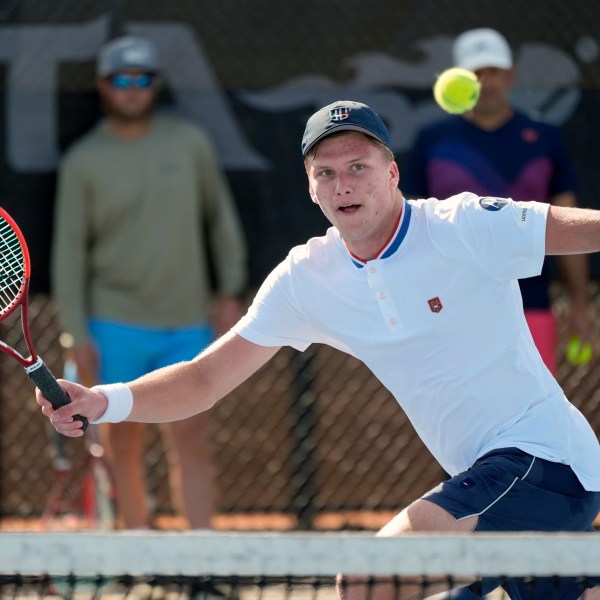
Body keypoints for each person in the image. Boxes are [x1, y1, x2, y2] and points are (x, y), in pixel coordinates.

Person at [43, 100, 600, 599]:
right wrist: (101, 400)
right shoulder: (307, 278)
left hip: (548, 460)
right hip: (493, 482)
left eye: (358, 166)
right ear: (311, 188)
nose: (343, 186)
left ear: (392, 172)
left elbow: (583, 228)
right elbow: (203, 380)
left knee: (367, 581)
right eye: (325, 173)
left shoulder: (466, 226)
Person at [51, 36, 248, 530]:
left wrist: (229, 292)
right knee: (122, 443)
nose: (133, 89)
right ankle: (140, 560)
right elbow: (69, 254)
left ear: (155, 85)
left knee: (193, 440)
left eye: (143, 79)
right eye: (122, 79)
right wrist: (78, 333)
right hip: (113, 322)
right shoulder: (83, 161)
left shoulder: (189, 143)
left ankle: (204, 563)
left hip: (186, 323)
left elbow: (219, 220)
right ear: (103, 86)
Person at [402, 27, 591, 375]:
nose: (486, 81)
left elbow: (569, 217)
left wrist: (579, 305)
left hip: (531, 305)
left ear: (511, 75)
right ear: (459, 78)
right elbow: (407, 227)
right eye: (476, 73)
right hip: (449, 308)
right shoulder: (431, 140)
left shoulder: (545, 137)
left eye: (494, 71)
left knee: (535, 416)